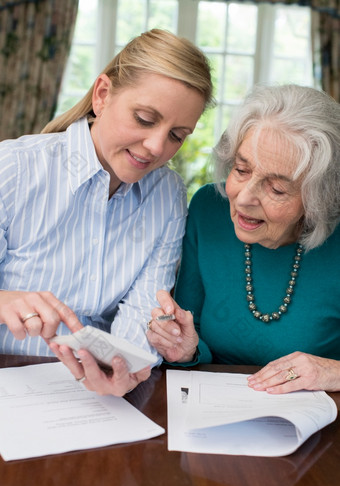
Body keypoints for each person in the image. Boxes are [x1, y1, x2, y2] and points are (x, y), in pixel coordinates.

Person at [0, 29, 213, 396]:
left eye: (177, 135)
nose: (156, 147)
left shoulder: (168, 195)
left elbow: (143, 311)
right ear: (102, 95)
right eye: (145, 118)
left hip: (100, 399)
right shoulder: (14, 169)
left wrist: (125, 368)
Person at [147, 83, 340, 394]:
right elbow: (191, 330)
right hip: (214, 409)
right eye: (241, 170)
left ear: (319, 199)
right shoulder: (210, 208)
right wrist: (186, 350)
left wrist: (334, 371)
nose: (244, 198)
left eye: (276, 189)